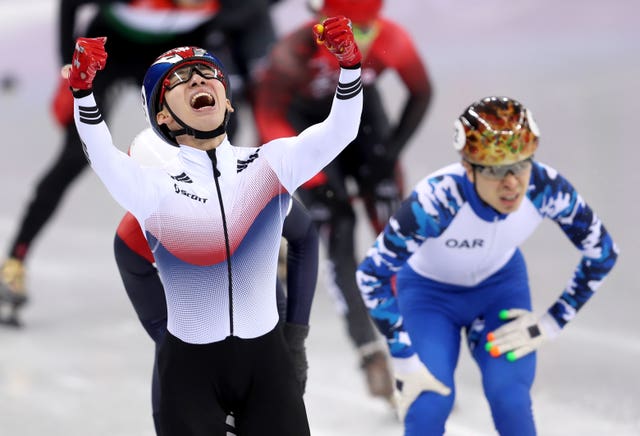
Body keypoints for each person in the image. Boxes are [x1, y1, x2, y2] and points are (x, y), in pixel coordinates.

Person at [65, 14, 362, 435]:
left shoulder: (270, 166)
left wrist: (350, 66)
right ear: (162, 118)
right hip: (190, 372)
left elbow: (341, 130)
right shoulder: (151, 187)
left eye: (207, 75)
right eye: (180, 82)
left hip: (267, 366)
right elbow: (101, 153)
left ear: (228, 101)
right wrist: (82, 93)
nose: (198, 82)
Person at [0, 0, 279, 326]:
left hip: (178, 48)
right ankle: (15, 260)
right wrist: (68, 67)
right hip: (112, 46)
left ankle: (245, 246)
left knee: (215, 145)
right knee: (76, 154)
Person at [356, 96, 619, 435]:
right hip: (428, 298)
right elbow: (372, 273)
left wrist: (550, 324)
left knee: (510, 400)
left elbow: (603, 253)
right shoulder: (436, 201)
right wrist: (404, 358)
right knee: (428, 405)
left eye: (521, 164)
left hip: (499, 294)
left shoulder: (544, 187)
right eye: (496, 169)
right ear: (468, 167)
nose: (511, 182)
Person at [253, 0, 432, 401]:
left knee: (394, 238)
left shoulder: (392, 38)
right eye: (353, 27)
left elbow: (421, 92)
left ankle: (415, 349)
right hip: (308, 133)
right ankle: (369, 353)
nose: (360, 39)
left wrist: (392, 151)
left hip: (366, 129)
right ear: (319, 21)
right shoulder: (292, 52)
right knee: (340, 233)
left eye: (368, 29)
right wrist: (312, 176)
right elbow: (269, 118)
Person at [114, 128, 319, 435]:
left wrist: (294, 339)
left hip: (262, 332)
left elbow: (305, 239)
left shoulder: (250, 190)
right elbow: (166, 333)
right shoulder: (131, 241)